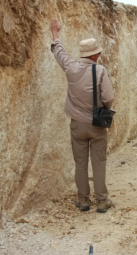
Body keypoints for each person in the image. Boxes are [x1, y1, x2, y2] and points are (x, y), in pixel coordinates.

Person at [50, 19, 114, 213]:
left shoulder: (70, 67)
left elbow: (59, 53)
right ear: (95, 55)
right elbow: (108, 97)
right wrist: (102, 107)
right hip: (96, 124)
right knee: (99, 163)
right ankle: (101, 201)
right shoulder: (100, 70)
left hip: (77, 125)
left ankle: (83, 200)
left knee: (80, 164)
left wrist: (55, 32)